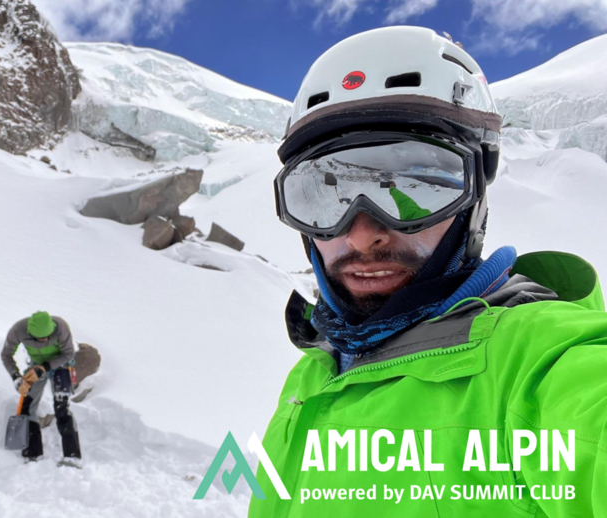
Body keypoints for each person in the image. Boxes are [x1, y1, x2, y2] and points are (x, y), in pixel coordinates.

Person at [250, 27, 607, 516]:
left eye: (417, 184)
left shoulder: (540, 362)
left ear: (473, 199)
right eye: (324, 195)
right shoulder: (313, 373)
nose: (360, 235)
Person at [2, 311, 82, 466]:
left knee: (61, 407)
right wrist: (16, 377)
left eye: (47, 336)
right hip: (35, 368)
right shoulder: (18, 330)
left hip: (61, 366)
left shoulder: (61, 327)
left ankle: (72, 456)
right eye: (40, 338)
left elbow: (68, 353)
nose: (45, 340)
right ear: (30, 333)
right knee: (27, 407)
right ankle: (33, 453)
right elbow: (6, 355)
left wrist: (45, 367)